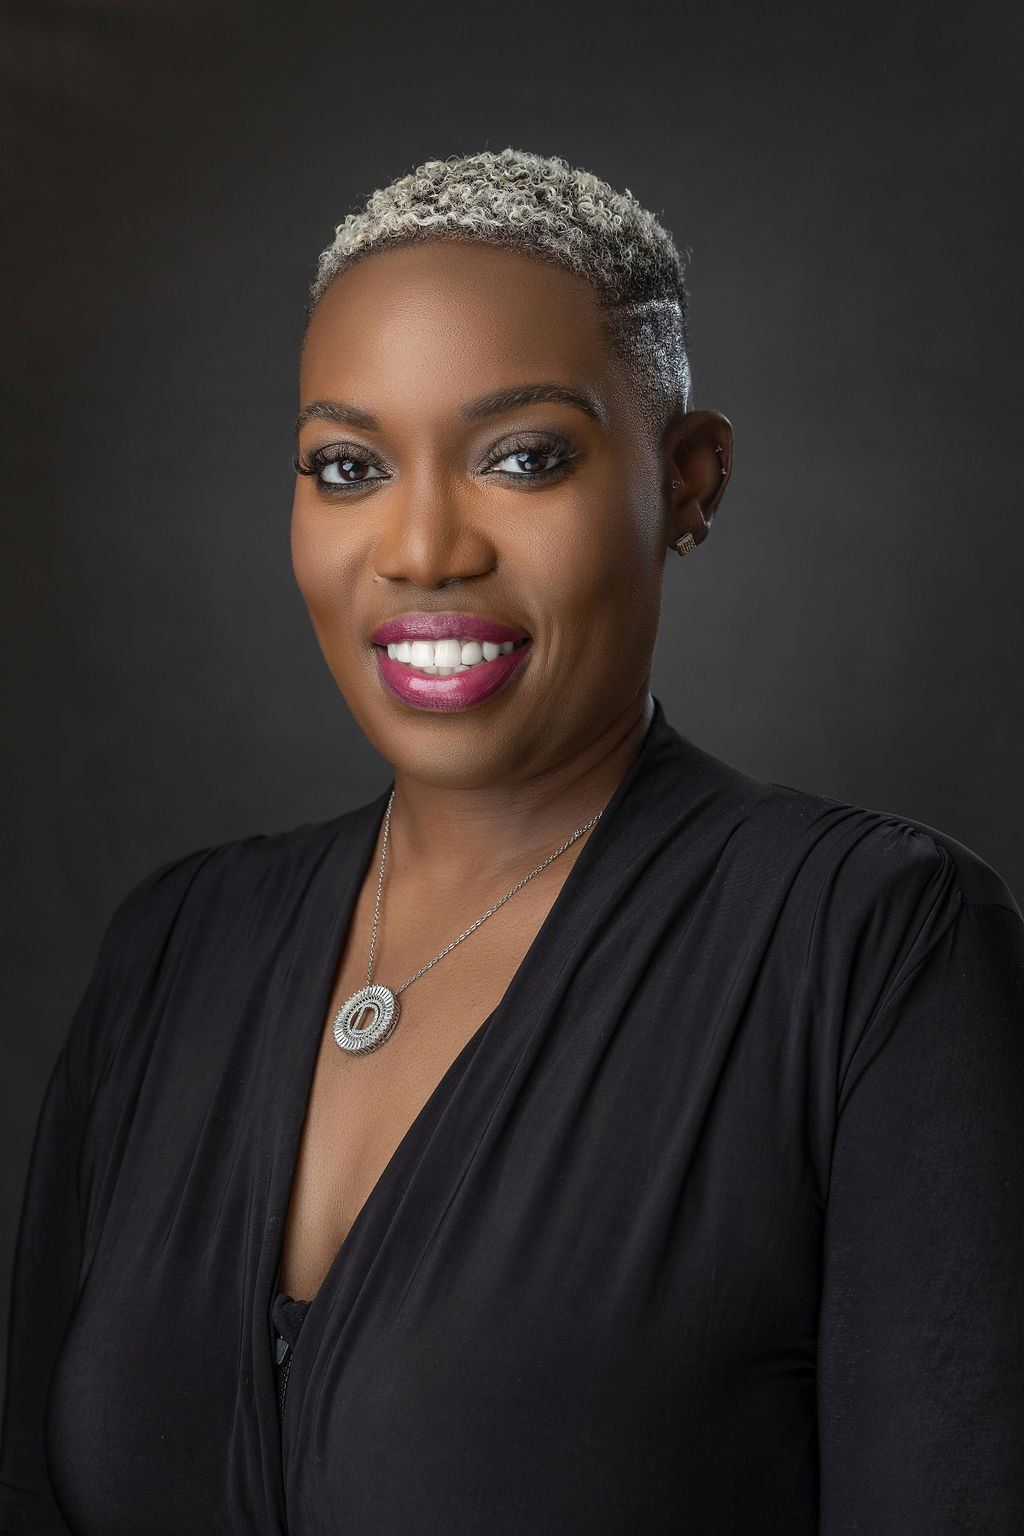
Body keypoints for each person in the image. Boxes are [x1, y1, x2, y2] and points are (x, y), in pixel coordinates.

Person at [2, 147, 1022, 1535]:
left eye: (523, 458)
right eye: (348, 466)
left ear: (691, 481)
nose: (423, 547)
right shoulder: (173, 950)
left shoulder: (874, 952)